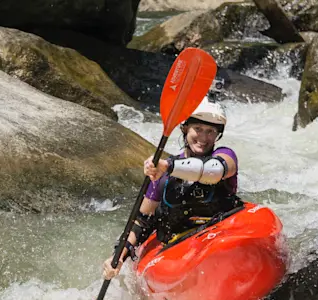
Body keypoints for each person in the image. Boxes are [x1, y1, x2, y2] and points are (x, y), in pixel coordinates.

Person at [103, 99, 241, 280]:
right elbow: (141, 222)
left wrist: (167, 165)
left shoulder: (225, 155)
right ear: (185, 128)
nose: (204, 137)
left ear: (217, 136)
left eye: (210, 131)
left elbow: (214, 171)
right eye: (198, 129)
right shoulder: (163, 176)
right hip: (178, 242)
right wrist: (119, 256)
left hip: (219, 232)